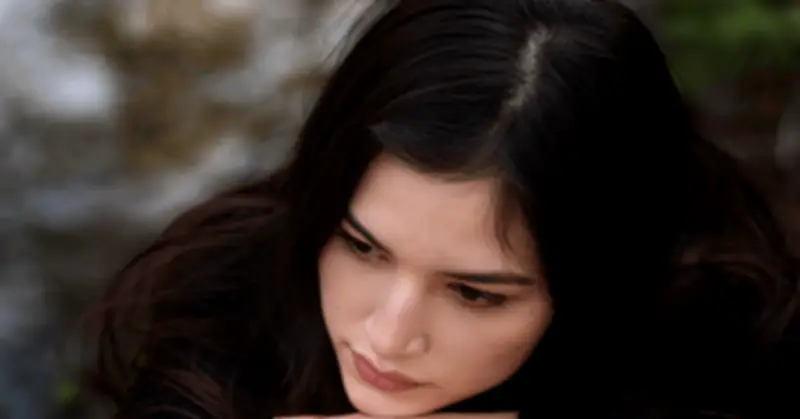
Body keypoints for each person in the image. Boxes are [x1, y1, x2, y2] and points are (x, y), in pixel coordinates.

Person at [86, 0, 800, 418]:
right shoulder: (222, 318)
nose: (389, 335)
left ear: (596, 281)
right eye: (362, 246)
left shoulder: (722, 340)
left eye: (474, 292)